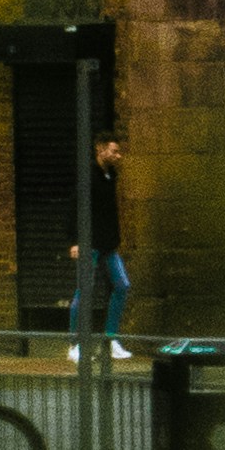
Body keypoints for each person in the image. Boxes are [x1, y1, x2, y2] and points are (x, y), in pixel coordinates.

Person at [71, 133, 134, 359]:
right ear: (100, 149)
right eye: (114, 151)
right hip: (90, 245)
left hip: (107, 245)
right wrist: (75, 241)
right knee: (84, 291)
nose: (118, 156)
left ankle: (110, 340)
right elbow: (75, 207)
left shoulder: (110, 175)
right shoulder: (89, 176)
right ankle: (75, 345)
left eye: (119, 152)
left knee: (122, 286)